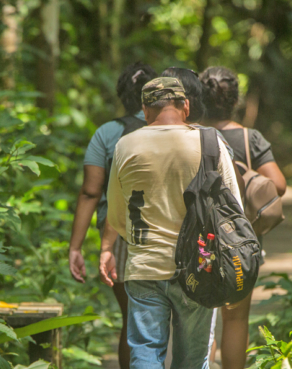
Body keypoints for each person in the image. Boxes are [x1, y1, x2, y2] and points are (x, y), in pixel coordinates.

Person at [99, 77, 243, 369]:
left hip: (144, 267)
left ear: (145, 111)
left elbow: (115, 213)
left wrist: (108, 249)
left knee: (146, 353)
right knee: (192, 360)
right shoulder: (210, 141)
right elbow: (234, 211)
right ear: (186, 106)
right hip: (200, 267)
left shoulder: (125, 145)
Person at [68, 61, 157, 369]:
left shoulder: (107, 133)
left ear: (122, 95)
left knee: (133, 319)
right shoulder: (170, 130)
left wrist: (75, 247)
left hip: (118, 231)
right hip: (167, 230)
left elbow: (91, 192)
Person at [199, 66, 287, 369]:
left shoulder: (191, 135)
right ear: (235, 99)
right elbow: (279, 185)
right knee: (235, 318)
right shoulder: (250, 138)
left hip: (200, 241)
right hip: (242, 244)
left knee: (203, 316)